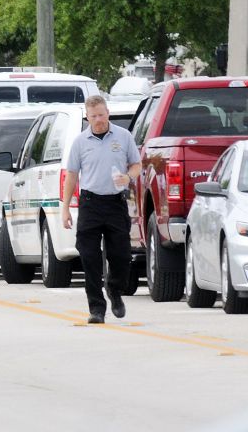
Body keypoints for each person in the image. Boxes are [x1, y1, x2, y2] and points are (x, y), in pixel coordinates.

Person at [61, 94, 141, 324]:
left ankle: (115, 290)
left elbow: (136, 164)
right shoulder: (80, 142)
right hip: (90, 204)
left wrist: (128, 177)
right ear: (88, 117)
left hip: (115, 203)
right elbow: (72, 175)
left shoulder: (123, 136)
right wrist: (65, 208)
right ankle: (96, 308)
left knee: (121, 255)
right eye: (94, 116)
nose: (99, 120)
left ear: (108, 113)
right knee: (89, 257)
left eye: (102, 115)